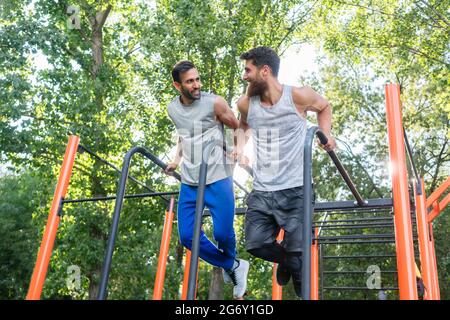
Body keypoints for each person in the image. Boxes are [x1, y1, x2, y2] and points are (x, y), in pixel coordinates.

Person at [234, 46, 336, 298]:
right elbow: (242, 125)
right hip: (263, 188)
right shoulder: (246, 104)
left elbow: (324, 106)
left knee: (297, 249)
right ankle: (288, 260)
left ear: (265, 71)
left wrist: (326, 133)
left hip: (296, 188)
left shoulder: (298, 96)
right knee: (255, 244)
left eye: (248, 70)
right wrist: (239, 148)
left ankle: (298, 277)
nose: (244, 76)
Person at [164, 60, 249, 299]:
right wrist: (176, 160)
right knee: (187, 237)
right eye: (190, 81)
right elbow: (184, 135)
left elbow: (238, 126)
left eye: (197, 79)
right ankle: (233, 265)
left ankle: (230, 263)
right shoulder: (173, 109)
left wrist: (238, 150)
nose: (196, 85)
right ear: (177, 85)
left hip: (218, 177)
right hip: (190, 181)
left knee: (222, 234)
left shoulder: (215, 102)